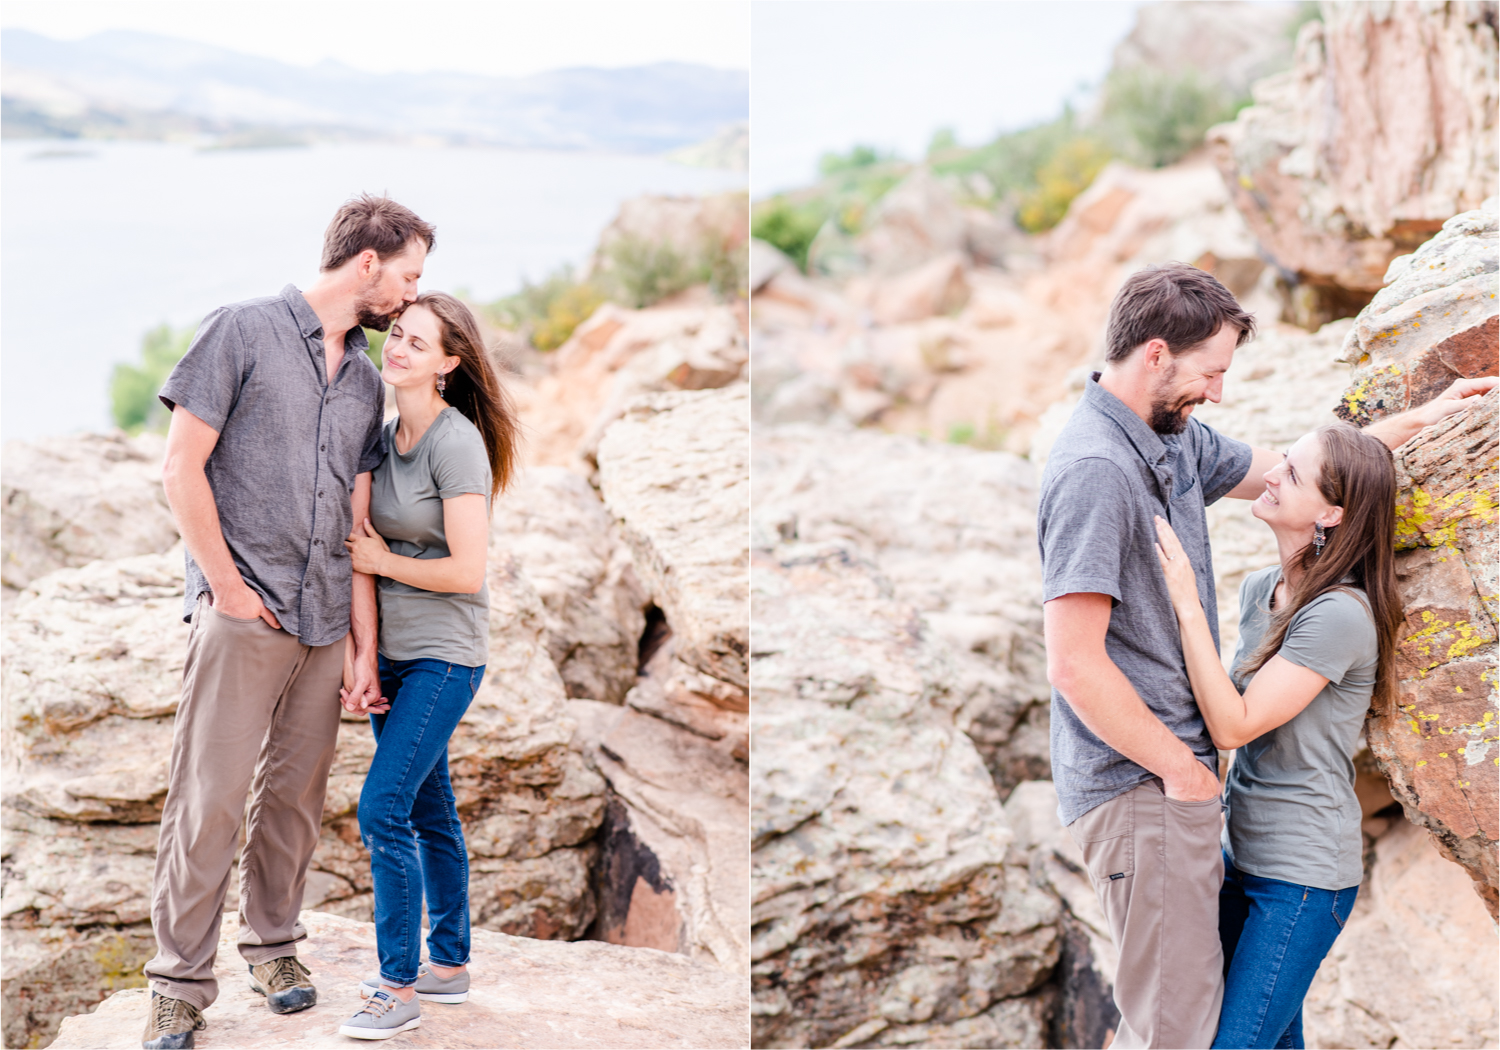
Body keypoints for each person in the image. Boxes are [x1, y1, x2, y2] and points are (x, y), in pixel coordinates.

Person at [1036, 261, 1496, 1049]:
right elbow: (1073, 664)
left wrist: (1420, 421)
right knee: (1182, 1035)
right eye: (1211, 373)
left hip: (1192, 805)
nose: (1217, 392)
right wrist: (1185, 775)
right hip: (1143, 789)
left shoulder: (1169, 437)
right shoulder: (1094, 470)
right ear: (1155, 355)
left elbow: (1299, 478)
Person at [141, 196, 434, 1050]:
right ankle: (178, 988)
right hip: (244, 611)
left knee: (294, 805)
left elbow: (354, 515)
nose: (412, 296)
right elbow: (179, 468)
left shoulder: (370, 380)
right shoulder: (239, 330)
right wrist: (227, 592)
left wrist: (359, 642)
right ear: (369, 263)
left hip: (320, 621)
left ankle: (274, 949)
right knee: (209, 801)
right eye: (410, 274)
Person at [1153, 422, 1400, 1049]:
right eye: (1282, 462)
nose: (1271, 474)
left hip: (1303, 878)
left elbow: (1233, 724)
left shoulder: (1340, 614)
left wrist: (1185, 600)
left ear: (1331, 513)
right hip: (1241, 855)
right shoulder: (1264, 589)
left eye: (1291, 473)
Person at [333, 292, 519, 1040]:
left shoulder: (456, 442)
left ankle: (396, 987)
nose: (397, 349)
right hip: (399, 661)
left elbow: (468, 570)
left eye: (417, 342)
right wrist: (364, 659)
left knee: (381, 808)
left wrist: (383, 558)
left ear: (448, 363)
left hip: (446, 656)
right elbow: (359, 559)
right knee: (429, 810)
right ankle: (447, 966)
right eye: (395, 336)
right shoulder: (380, 439)